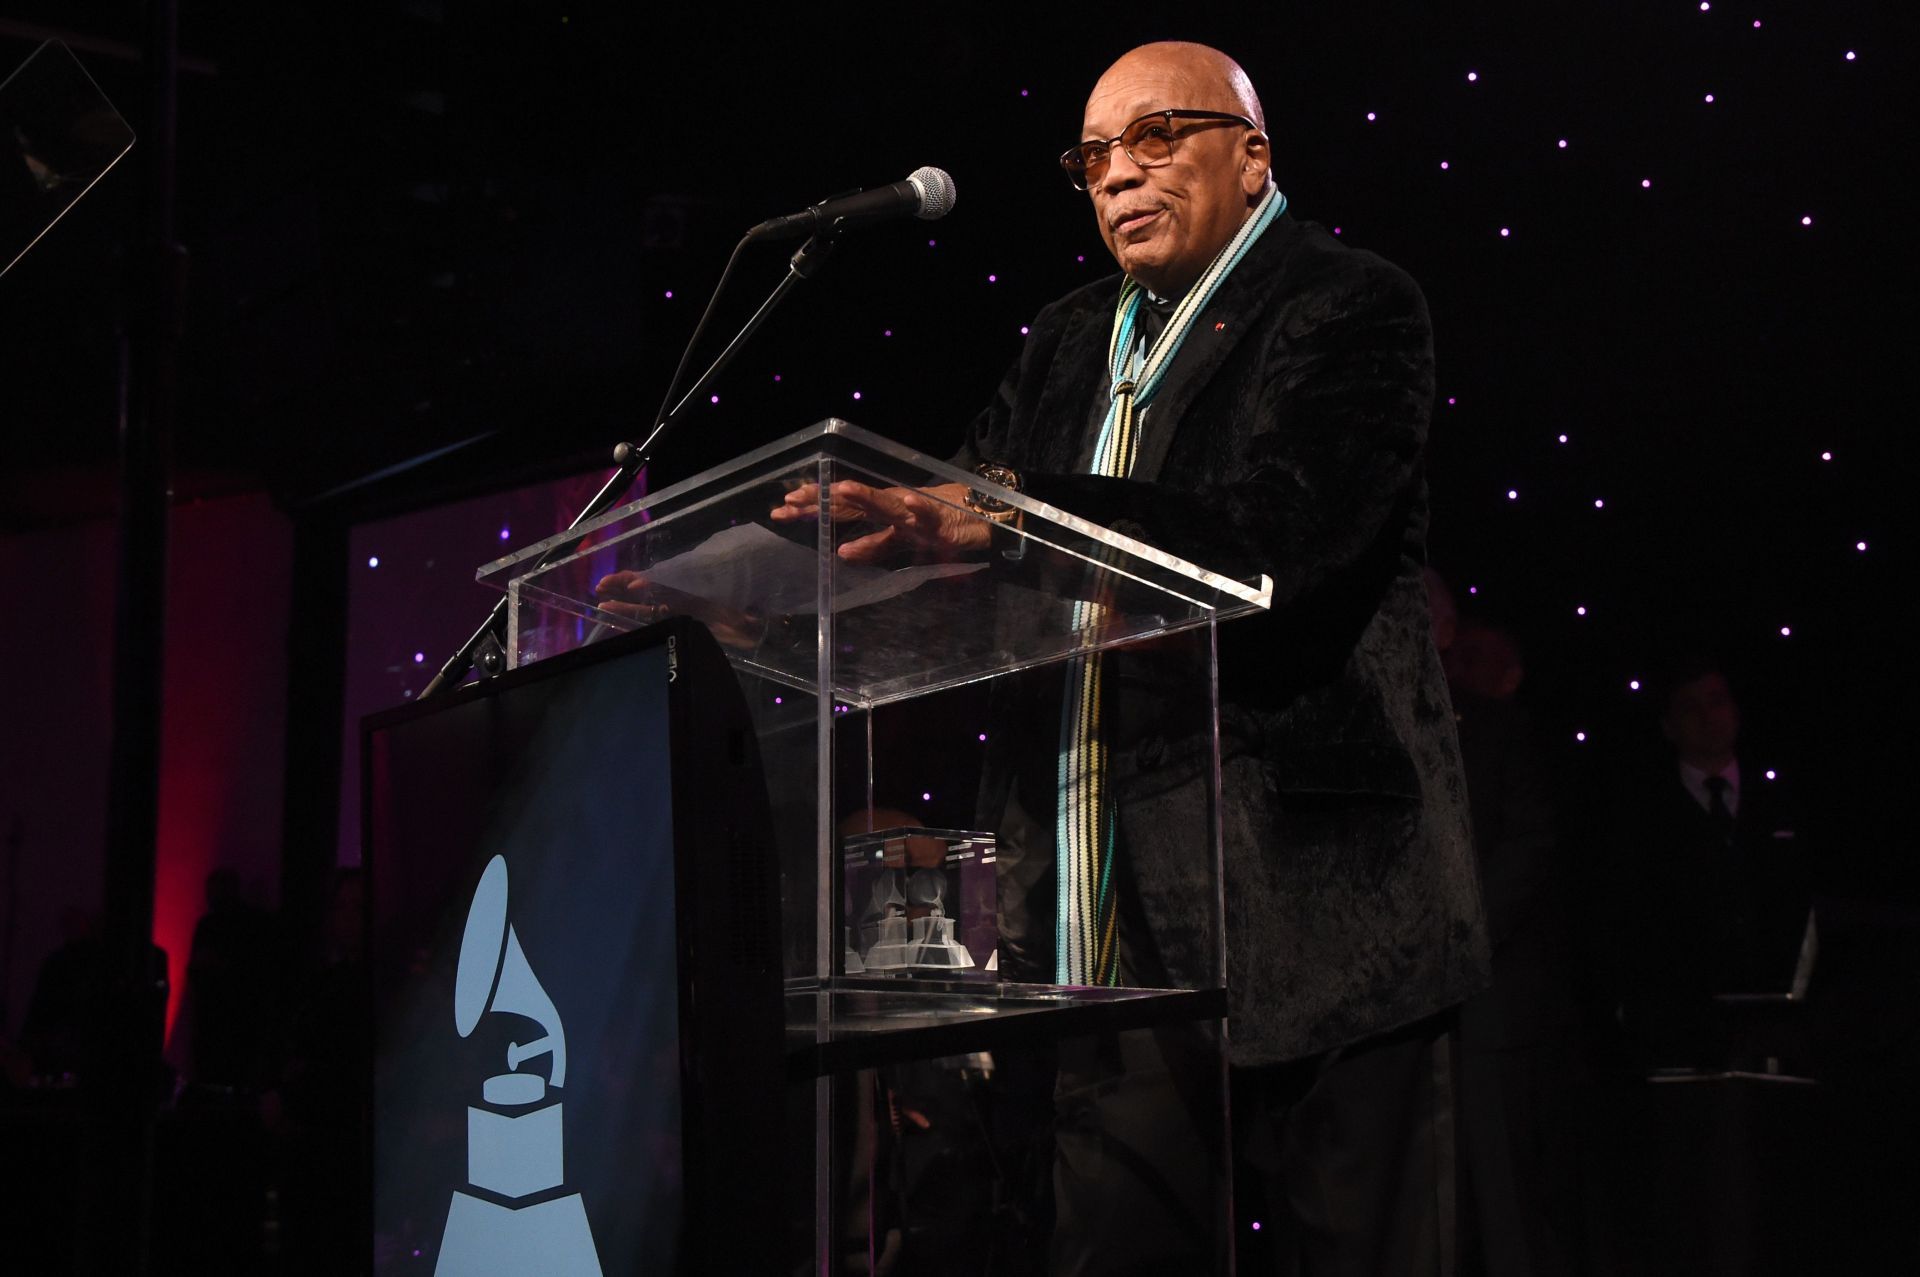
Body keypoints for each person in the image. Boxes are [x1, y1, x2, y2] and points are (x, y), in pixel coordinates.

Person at [775, 42, 1487, 1273]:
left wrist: (1000, 513)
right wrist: (774, 595)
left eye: (1156, 137)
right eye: (1094, 156)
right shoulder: (1061, 339)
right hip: (1103, 944)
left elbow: (1279, 540)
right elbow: (957, 521)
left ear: (1251, 153)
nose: (1117, 176)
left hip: (1319, 914)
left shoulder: (1349, 302)